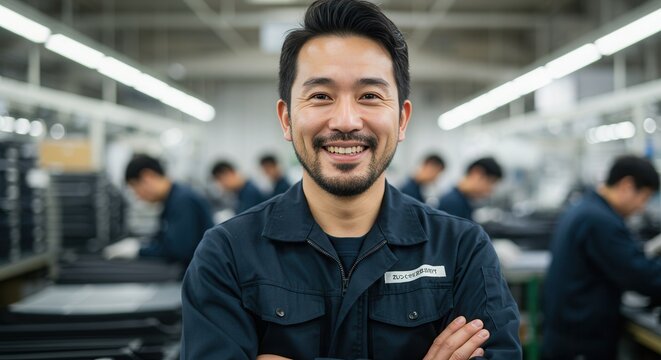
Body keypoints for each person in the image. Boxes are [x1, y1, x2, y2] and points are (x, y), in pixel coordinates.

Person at [181, 1, 521, 359]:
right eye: (321, 96)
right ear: (287, 119)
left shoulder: (461, 250)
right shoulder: (227, 254)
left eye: (370, 96)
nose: (346, 121)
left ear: (402, 120)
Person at [542, 155, 661, 360]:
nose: (642, 207)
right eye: (644, 197)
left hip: (568, 330)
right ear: (626, 185)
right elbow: (641, 275)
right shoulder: (599, 220)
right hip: (581, 338)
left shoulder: (585, 208)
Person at [116, 154, 213, 266]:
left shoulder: (182, 201)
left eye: (135, 188)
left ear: (147, 177)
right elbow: (164, 240)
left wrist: (139, 251)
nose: (137, 196)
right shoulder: (172, 198)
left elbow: (179, 250)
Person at [438, 157, 503, 221]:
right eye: (491, 182)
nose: (491, 190)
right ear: (477, 173)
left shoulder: (463, 201)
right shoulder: (452, 203)